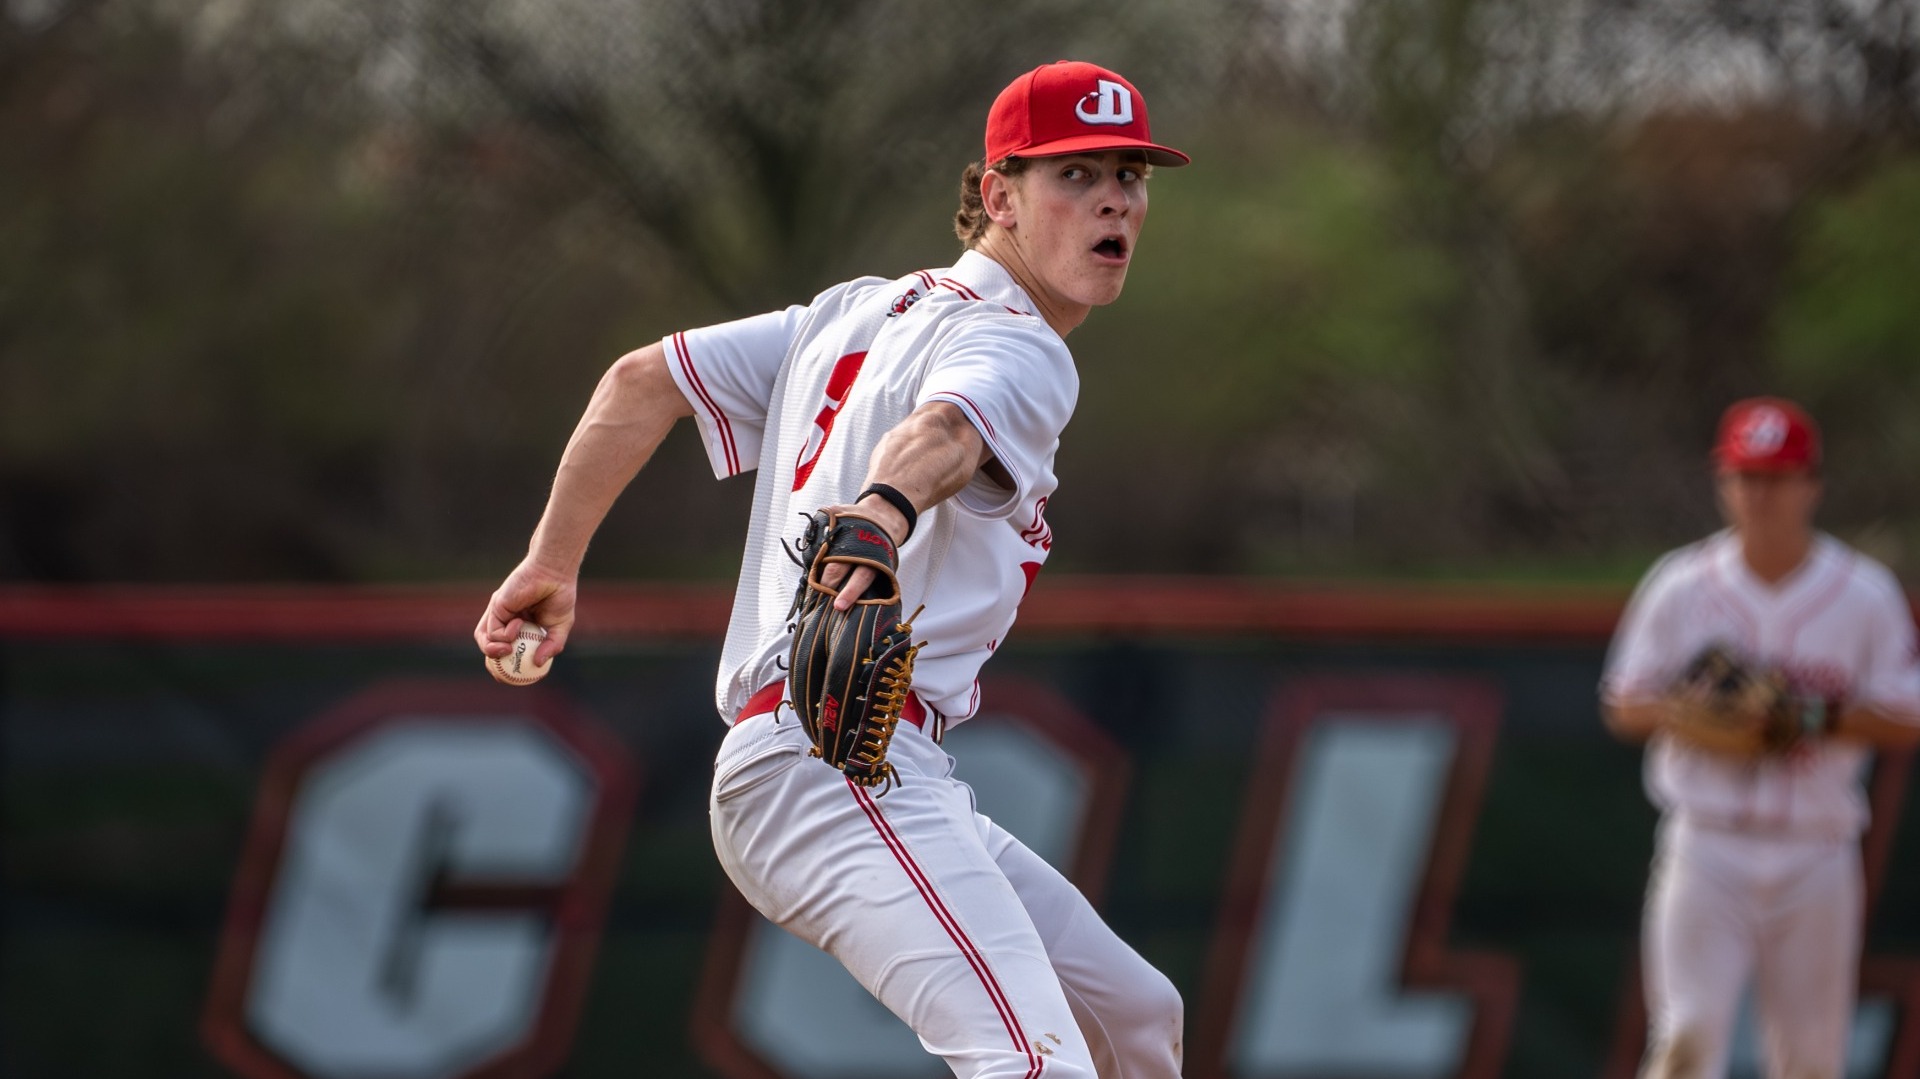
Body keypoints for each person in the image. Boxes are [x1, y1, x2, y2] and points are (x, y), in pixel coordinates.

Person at [476, 60, 1188, 1078]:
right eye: (1074, 173)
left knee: (1135, 1015)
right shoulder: (1024, 346)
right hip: (837, 762)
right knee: (1033, 1064)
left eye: (1131, 173)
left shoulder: (852, 313)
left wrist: (551, 561)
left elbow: (644, 381)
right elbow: (944, 428)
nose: (1116, 197)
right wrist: (879, 512)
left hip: (863, 764)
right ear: (998, 196)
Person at [1599, 396, 1920, 1079]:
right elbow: (1624, 702)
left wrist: (1804, 717)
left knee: (1809, 1060)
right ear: (1723, 484)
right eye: (1745, 477)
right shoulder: (1681, 585)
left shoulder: (1863, 592)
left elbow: (1907, 713)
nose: (1759, 494)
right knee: (1685, 1040)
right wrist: (1693, 717)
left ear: (1812, 485)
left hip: (1816, 849)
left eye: (1777, 477)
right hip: (1707, 842)